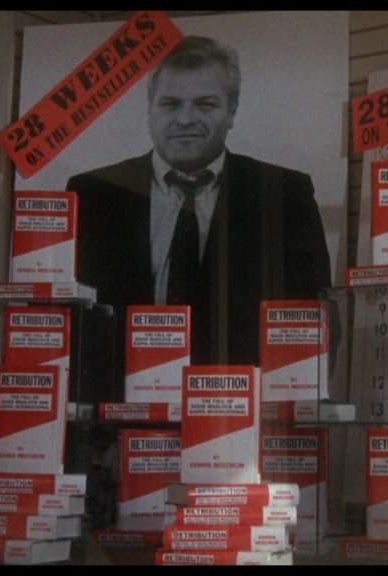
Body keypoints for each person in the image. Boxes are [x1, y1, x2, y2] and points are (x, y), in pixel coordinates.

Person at [66, 35, 332, 369]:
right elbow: (69, 323)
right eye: (170, 104)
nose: (186, 118)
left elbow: (317, 321)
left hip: (238, 412)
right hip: (119, 416)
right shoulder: (92, 194)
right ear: (150, 108)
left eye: (205, 104)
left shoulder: (285, 194)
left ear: (231, 111)